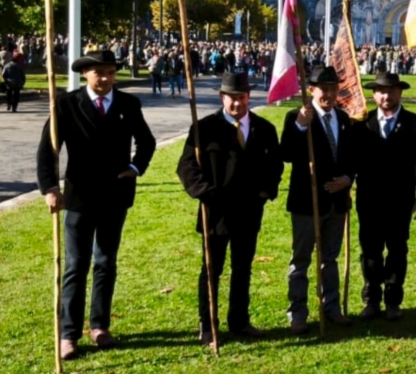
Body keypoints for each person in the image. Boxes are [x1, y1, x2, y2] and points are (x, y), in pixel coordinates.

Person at [37, 50, 156, 359]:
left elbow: (147, 142)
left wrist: (134, 168)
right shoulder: (66, 104)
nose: (105, 78)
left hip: (115, 196)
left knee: (105, 262)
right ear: (86, 74)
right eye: (99, 73)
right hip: (78, 197)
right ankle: (68, 333)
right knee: (76, 265)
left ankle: (99, 326)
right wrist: (50, 187)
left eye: (110, 73)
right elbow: (48, 151)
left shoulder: (128, 104)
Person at [177, 73, 284, 347]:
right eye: (231, 98)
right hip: (216, 212)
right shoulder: (205, 129)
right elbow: (187, 167)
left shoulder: (264, 129)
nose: (236, 103)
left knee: (242, 268)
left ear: (248, 97)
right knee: (212, 269)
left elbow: (275, 166)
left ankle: (239, 321)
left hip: (249, 211)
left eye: (241, 97)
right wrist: (206, 194)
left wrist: (265, 191)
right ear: (222, 98)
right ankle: (208, 325)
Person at [281, 66, 356, 334]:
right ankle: (298, 313)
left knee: (330, 258)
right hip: (307, 202)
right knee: (301, 259)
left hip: (337, 203)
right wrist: (301, 126)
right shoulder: (297, 117)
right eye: (323, 89)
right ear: (312, 90)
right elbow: (287, 153)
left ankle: (332, 308)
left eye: (333, 88)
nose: (329, 94)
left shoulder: (344, 119)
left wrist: (349, 178)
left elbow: (351, 157)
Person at [353, 72, 416, 321]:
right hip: (369, 199)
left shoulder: (414, 122)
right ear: (374, 94)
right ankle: (372, 299)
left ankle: (393, 301)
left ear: (400, 92)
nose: (386, 96)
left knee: (397, 251)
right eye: (381, 91)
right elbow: (350, 159)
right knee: (370, 252)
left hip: (401, 199)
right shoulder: (361, 123)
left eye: (392, 90)